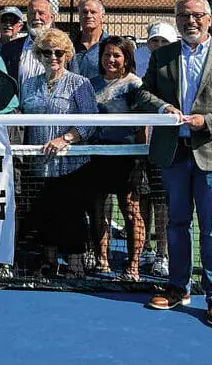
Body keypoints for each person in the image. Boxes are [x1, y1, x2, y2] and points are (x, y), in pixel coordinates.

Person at [136, 0, 212, 328]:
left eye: (197, 15)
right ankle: (178, 288)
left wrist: (209, 121)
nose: (191, 21)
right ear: (176, 20)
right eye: (184, 15)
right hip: (174, 153)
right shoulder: (162, 57)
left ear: (209, 19)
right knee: (176, 223)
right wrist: (163, 109)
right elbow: (143, 93)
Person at [19, 29, 98, 277]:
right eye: (46, 52)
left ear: (67, 55)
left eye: (58, 52)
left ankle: (75, 266)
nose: (52, 57)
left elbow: (90, 120)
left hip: (71, 166)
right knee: (44, 213)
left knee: (71, 214)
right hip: (38, 164)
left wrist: (65, 138)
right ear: (38, 56)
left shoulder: (80, 83)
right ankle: (49, 262)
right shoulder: (29, 85)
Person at [86, 36, 147, 280]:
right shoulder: (91, 84)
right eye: (107, 55)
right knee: (97, 209)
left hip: (127, 157)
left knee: (131, 211)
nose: (110, 60)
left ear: (126, 59)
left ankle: (133, 266)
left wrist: (141, 155)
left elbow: (143, 124)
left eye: (116, 55)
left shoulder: (134, 85)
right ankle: (102, 261)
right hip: (98, 156)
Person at [133, 19, 178, 277]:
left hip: (164, 146)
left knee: (163, 202)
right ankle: (146, 249)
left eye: (164, 41)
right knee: (142, 199)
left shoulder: (177, 68)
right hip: (138, 145)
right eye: (154, 41)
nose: (158, 45)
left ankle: (163, 253)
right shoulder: (142, 63)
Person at [15, 0, 59, 86]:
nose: (36, 17)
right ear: (27, 17)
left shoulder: (63, 48)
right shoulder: (11, 48)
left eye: (41, 13)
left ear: (52, 17)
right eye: (32, 13)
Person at [71, 0, 111, 79]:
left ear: (102, 16)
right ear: (79, 16)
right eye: (85, 12)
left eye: (93, 12)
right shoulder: (69, 45)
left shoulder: (112, 45)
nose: (88, 16)